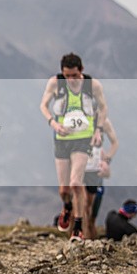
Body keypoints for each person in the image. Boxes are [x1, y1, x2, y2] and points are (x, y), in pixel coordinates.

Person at [40, 53, 107, 242]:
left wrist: (98, 130)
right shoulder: (55, 83)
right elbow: (43, 105)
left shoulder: (93, 85)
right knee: (64, 189)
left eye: (74, 76)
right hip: (62, 138)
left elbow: (103, 108)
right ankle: (67, 207)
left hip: (83, 139)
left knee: (76, 183)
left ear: (81, 71)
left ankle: (77, 228)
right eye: (67, 75)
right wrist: (53, 123)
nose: (71, 80)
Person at [83, 117, 118, 239]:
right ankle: (80, 241)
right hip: (81, 167)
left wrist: (106, 161)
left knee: (92, 215)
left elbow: (115, 143)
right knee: (84, 208)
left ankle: (90, 241)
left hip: (96, 171)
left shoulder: (104, 121)